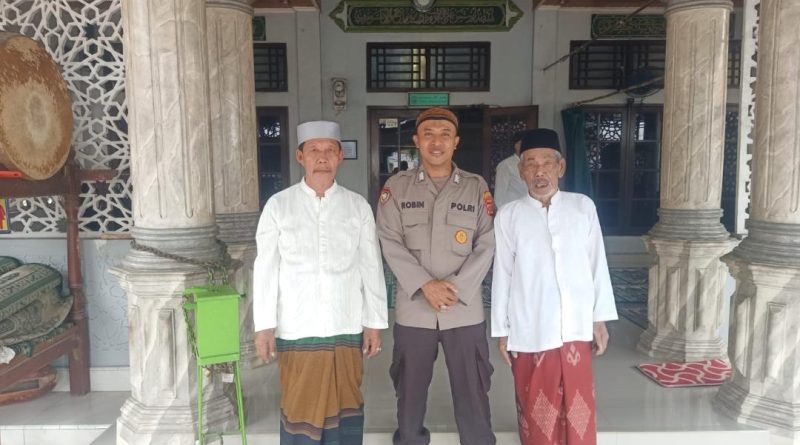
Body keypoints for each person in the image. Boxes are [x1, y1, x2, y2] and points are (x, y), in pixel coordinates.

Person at [253, 120, 388, 445]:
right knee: (300, 407)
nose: (322, 157)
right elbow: (265, 267)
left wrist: (374, 322)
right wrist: (264, 325)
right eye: (314, 150)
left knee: (346, 406)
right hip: (297, 327)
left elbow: (371, 266)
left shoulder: (357, 206)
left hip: (345, 324)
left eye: (329, 150)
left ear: (340, 156)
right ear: (301, 157)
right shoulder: (279, 206)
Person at [377, 107, 496, 445]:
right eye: (428, 134)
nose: (437, 142)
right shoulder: (397, 187)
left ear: (456, 142)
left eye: (445, 134)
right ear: (416, 141)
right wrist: (425, 285)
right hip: (415, 308)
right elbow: (388, 240)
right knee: (410, 392)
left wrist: (455, 287)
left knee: (473, 389)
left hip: (464, 309)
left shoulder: (475, 187)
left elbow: (487, 243)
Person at [491, 128, 618, 445]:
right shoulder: (509, 215)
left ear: (560, 168)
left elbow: (597, 263)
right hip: (530, 326)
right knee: (538, 411)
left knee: (578, 408)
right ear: (521, 171)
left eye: (547, 162)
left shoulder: (582, 207)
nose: (539, 171)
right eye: (531, 163)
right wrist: (502, 330)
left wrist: (599, 319)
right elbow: (502, 274)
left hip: (575, 325)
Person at [494, 131, 528, 208]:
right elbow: (499, 197)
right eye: (524, 143)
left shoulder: (531, 165)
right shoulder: (505, 165)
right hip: (512, 211)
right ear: (516, 146)